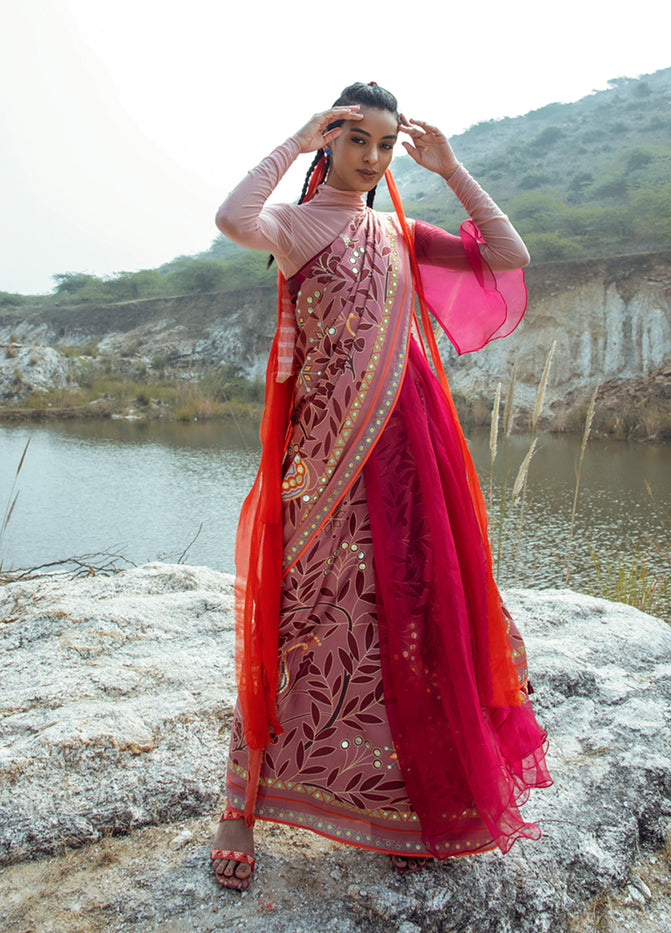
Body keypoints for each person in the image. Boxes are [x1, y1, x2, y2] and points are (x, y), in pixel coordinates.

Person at [211, 82, 551, 890]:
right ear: (332, 140)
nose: (371, 158)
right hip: (325, 455)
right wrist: (294, 143)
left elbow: (508, 258)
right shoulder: (295, 225)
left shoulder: (400, 229)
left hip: (409, 457)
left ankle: (400, 801)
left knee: (408, 615)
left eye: (385, 145)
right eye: (356, 139)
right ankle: (239, 805)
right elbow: (232, 217)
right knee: (298, 616)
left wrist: (454, 169)